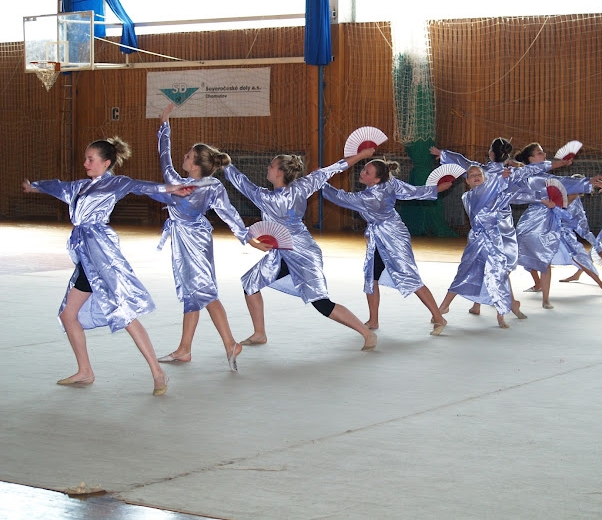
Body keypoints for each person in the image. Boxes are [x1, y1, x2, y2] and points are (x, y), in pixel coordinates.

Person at [22, 136, 196, 395]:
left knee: (124, 314)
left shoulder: (115, 183)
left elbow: (141, 186)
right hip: (86, 257)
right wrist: (35, 186)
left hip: (101, 256)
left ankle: (158, 373)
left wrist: (172, 189)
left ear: (105, 163)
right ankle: (85, 371)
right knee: (68, 315)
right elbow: (58, 187)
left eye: (90, 159)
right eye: (85, 159)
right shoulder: (80, 187)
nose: (85, 163)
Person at [224, 147, 379, 350]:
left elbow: (242, 184)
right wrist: (361, 156)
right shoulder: (302, 186)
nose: (268, 168)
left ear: (279, 173)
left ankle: (367, 333)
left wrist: (226, 165)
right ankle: (259, 333)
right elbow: (333, 168)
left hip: (303, 254)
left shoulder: (267, 198)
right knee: (250, 284)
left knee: (322, 303)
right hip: (281, 254)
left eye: (271, 166)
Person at [155, 104, 271, 371]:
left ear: (195, 166)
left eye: (188, 156)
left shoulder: (179, 183)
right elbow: (230, 214)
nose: (184, 157)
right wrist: (248, 239)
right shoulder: (212, 185)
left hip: (192, 242)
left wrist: (164, 125)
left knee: (205, 292)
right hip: (194, 238)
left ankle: (230, 343)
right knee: (193, 293)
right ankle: (184, 349)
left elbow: (164, 157)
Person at [321, 158, 452, 334]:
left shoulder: (371, 197)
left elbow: (342, 198)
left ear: (376, 180)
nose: (362, 173)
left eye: (367, 172)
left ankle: (439, 317)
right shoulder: (390, 182)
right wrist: (436, 189)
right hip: (378, 237)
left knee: (410, 276)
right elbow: (412, 191)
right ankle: (373, 320)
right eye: (364, 169)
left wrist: (320, 182)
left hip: (394, 237)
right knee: (371, 277)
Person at [436, 164, 549, 329]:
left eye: (479, 174)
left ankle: (501, 314)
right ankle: (444, 306)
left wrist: (541, 199)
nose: (476, 177)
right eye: (472, 175)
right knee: (464, 273)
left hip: (494, 240)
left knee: (498, 274)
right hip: (476, 240)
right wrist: (500, 179)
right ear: (467, 181)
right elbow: (485, 194)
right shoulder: (468, 196)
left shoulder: (495, 193)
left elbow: (516, 196)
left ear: (485, 178)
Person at [511, 143, 602, 308]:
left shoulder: (536, 175)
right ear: (531, 159)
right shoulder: (533, 177)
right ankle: (510, 291)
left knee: (544, 259)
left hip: (548, 221)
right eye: (539, 153)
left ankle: (545, 298)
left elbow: (562, 182)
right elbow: (562, 181)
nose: (544, 154)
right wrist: (585, 181)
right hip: (533, 223)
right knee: (521, 255)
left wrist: (586, 182)